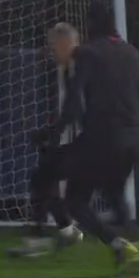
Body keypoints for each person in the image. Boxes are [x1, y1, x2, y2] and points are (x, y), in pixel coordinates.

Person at [35, 2, 139, 274]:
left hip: (104, 138)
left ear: (90, 26)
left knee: (72, 195)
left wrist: (52, 132)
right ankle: (135, 247)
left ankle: (115, 244)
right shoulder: (134, 54)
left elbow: (73, 101)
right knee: (115, 191)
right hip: (136, 139)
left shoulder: (88, 54)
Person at [7, 23, 85, 259]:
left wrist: (51, 134)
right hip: (75, 136)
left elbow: (75, 110)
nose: (51, 53)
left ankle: (43, 238)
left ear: (65, 44)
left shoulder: (78, 69)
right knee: (43, 182)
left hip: (83, 139)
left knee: (43, 182)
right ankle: (66, 231)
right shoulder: (67, 68)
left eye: (53, 47)